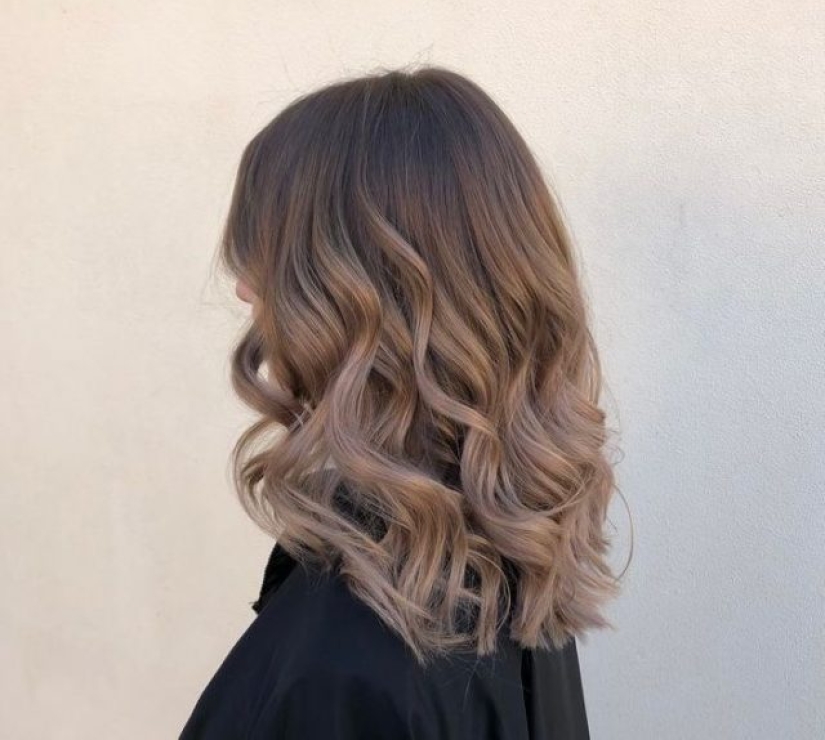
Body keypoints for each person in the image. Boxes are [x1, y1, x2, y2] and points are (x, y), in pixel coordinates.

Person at [178, 66, 623, 739]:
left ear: (357, 296)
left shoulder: (344, 668)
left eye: (271, 252)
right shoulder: (501, 561)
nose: (244, 288)